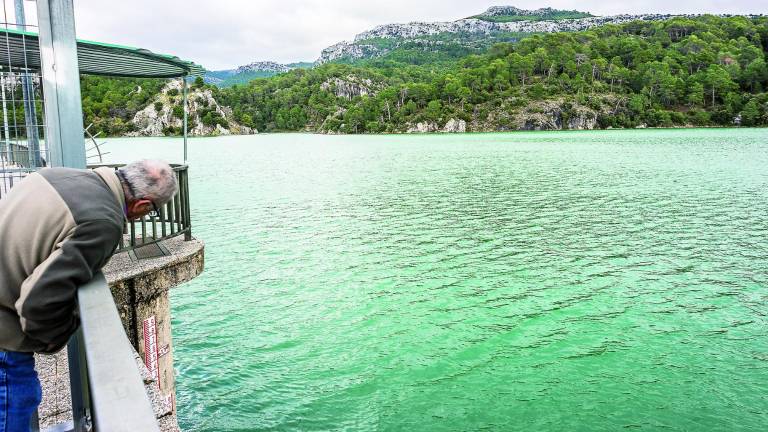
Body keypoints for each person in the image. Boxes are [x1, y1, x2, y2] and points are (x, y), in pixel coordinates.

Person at [0, 160, 178, 431]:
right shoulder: (103, 221)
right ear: (142, 206)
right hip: (4, 341)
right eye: (151, 211)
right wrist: (56, 338)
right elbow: (38, 303)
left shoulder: (56, 174)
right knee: (15, 406)